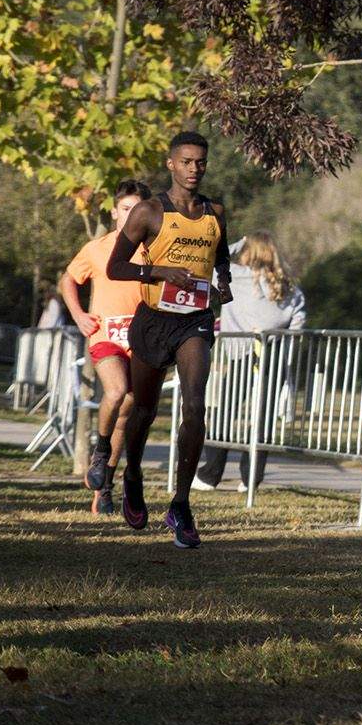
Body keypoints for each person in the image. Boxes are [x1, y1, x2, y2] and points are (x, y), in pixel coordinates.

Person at [106, 131, 232, 548]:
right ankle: (134, 473)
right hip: (153, 320)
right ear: (171, 164)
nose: (194, 169)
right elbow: (116, 268)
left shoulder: (215, 212)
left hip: (193, 321)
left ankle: (180, 504)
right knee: (142, 411)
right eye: (187, 161)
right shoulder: (148, 212)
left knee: (195, 404)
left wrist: (223, 286)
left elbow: (222, 256)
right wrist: (158, 273)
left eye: (201, 162)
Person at [60, 179, 153, 516]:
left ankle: (105, 487)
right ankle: (100, 452)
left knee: (126, 410)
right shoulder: (97, 248)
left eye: (137, 210)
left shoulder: (153, 247)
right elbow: (68, 279)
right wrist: (79, 315)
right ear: (115, 212)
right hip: (105, 336)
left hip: (141, 338)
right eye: (125, 209)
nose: (131, 216)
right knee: (117, 392)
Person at [193, 232, 307, 493]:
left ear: (247, 251)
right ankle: (251, 479)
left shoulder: (235, 277)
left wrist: (236, 243)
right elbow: (299, 323)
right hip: (274, 354)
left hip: (241, 352)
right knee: (264, 419)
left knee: (224, 415)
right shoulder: (288, 286)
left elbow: (205, 260)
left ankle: (210, 474)